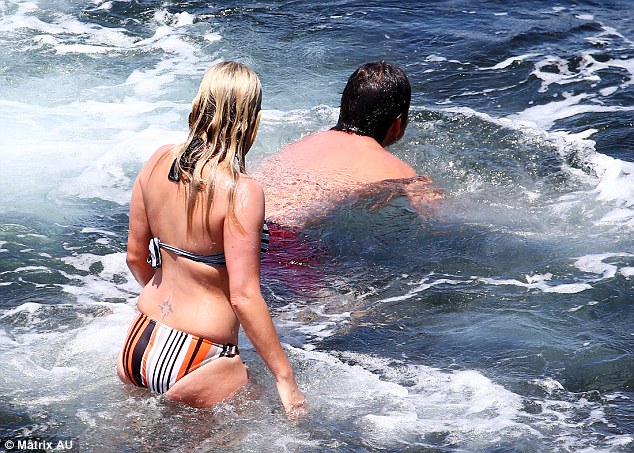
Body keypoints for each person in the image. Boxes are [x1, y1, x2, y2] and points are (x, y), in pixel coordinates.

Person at [116, 61, 307, 418]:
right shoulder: (242, 191)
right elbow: (244, 296)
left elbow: (135, 257)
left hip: (140, 340)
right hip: (198, 356)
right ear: (253, 120)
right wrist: (286, 379)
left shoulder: (158, 160)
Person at [254, 61, 441, 227]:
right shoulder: (402, 173)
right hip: (286, 241)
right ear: (398, 123)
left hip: (250, 219)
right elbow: (434, 220)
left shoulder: (306, 142)